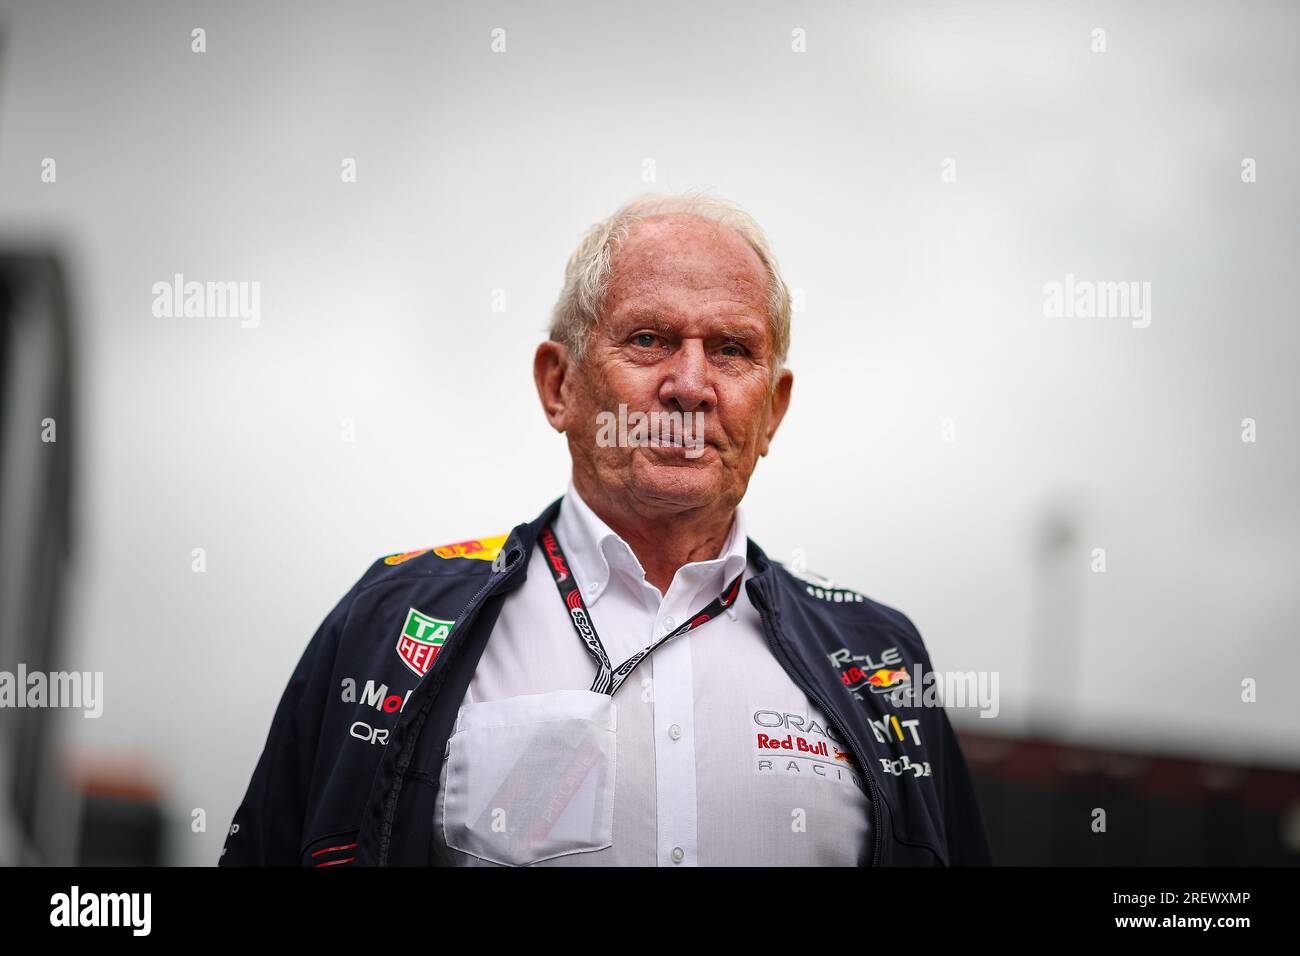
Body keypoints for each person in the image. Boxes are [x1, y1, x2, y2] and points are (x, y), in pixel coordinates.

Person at [220, 193, 993, 867]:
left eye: (732, 350)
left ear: (773, 411)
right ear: (559, 386)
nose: (690, 385)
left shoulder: (882, 659)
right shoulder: (389, 622)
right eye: (650, 339)